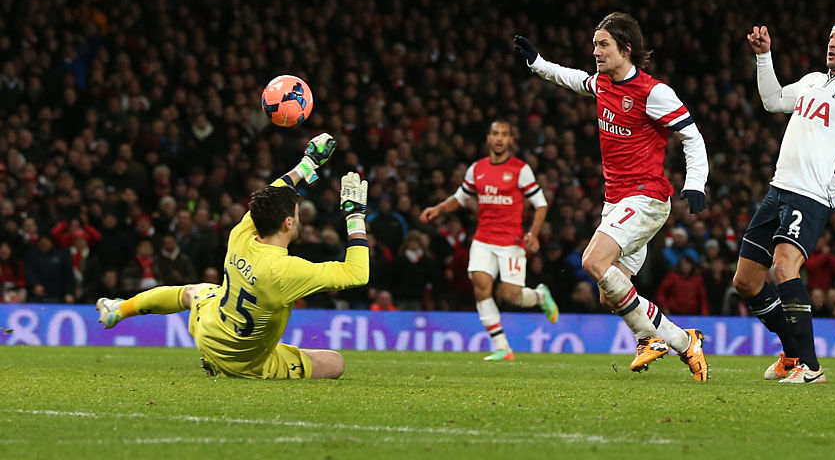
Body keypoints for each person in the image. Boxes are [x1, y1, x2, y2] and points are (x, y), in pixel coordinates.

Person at [513, 12, 710, 380]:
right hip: (617, 201)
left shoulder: (654, 92)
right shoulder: (603, 83)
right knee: (609, 294)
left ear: (626, 48)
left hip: (646, 198)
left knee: (593, 262)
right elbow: (571, 79)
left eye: (603, 44)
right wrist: (538, 64)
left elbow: (692, 137)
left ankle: (652, 338)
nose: (596, 51)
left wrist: (696, 182)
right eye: (594, 45)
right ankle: (684, 342)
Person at [96, 134, 371, 380]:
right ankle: (237, 365)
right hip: (244, 362)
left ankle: (119, 309)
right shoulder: (288, 271)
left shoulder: (242, 233)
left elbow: (271, 194)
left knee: (195, 291)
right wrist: (355, 215)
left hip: (210, 331)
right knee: (335, 362)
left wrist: (307, 164)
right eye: (297, 216)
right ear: (288, 223)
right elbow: (357, 274)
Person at [734, 19, 835, 384]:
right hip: (778, 189)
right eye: (830, 38)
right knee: (745, 281)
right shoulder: (811, 81)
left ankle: (811, 366)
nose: (832, 44)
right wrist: (764, 57)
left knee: (784, 267)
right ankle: (792, 356)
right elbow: (773, 101)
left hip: (811, 193)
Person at [420, 119, 558, 360]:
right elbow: (460, 197)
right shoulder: (477, 169)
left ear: (511, 140)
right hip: (483, 239)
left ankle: (539, 296)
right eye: (495, 133)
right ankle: (502, 347)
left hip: (511, 241)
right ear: (488, 138)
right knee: (481, 286)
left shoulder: (520, 169)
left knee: (511, 296)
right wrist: (439, 209)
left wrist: (533, 233)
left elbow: (541, 204)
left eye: (504, 134)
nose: (499, 138)